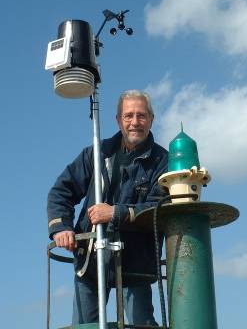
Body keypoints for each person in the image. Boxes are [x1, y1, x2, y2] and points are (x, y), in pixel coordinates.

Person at [47, 90, 168, 325]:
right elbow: (61, 191)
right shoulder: (96, 153)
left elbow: (159, 209)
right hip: (91, 261)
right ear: (118, 120)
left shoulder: (163, 161)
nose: (135, 122)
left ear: (151, 119)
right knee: (85, 327)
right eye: (128, 115)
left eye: (141, 116)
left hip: (137, 265)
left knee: (140, 325)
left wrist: (115, 213)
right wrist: (61, 227)